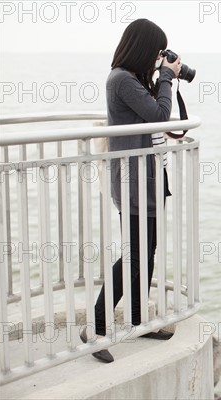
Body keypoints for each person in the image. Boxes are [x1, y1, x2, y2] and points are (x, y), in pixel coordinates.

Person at [80, 18, 182, 363]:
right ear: (142, 48)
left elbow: (154, 114)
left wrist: (161, 78)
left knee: (147, 250)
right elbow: (160, 115)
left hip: (150, 176)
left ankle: (139, 318)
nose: (158, 58)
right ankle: (94, 327)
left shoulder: (134, 80)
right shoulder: (121, 79)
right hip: (134, 180)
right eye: (155, 52)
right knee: (135, 256)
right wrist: (166, 77)